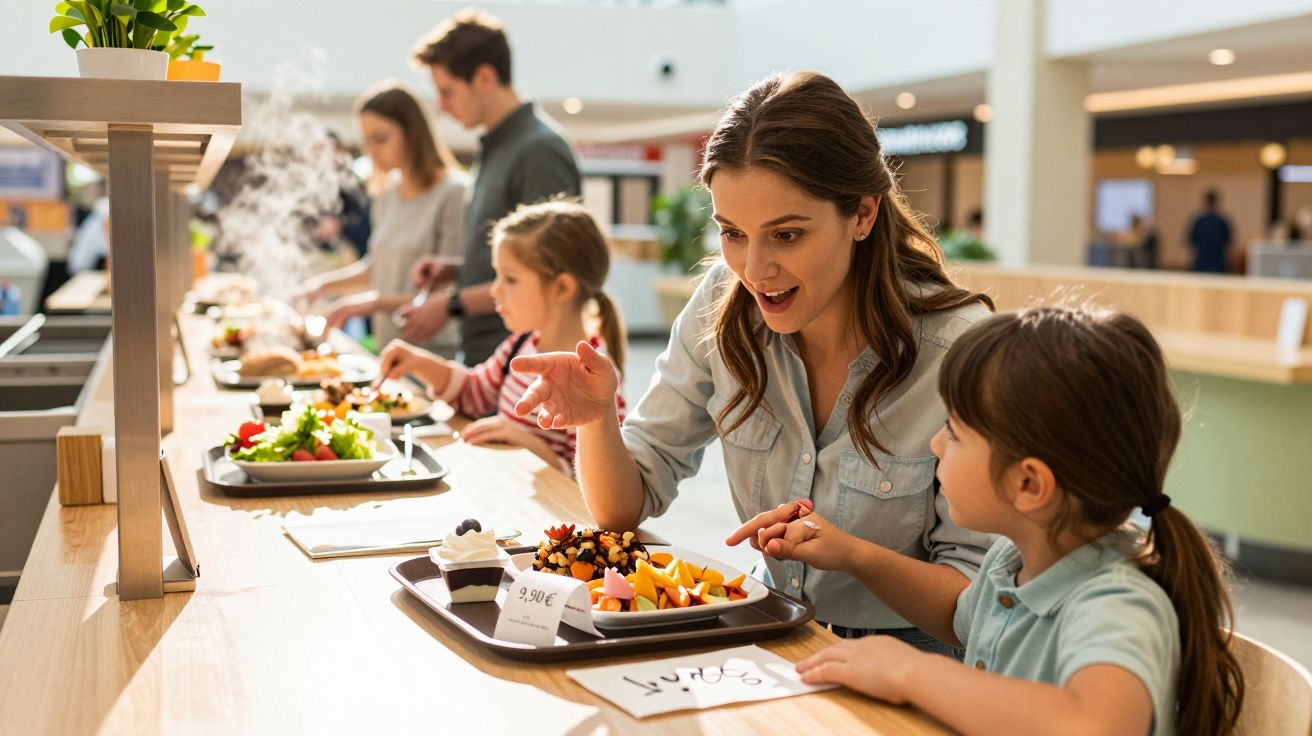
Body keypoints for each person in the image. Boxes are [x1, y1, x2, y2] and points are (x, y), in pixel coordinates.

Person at [512, 71, 994, 654]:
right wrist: (597, 420)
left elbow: (977, 608)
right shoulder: (722, 306)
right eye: (732, 233)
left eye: (786, 235)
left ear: (863, 214)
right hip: (777, 636)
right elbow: (625, 504)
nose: (753, 268)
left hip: (916, 665)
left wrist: (855, 556)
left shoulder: (964, 355)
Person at [785, 306, 1245, 735]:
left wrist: (913, 672)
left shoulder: (1114, 603)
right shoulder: (1013, 560)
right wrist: (852, 554)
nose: (936, 446)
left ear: (1029, 485)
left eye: (956, 433)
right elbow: (958, 618)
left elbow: (1096, 723)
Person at [377, 201, 625, 474]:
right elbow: (474, 393)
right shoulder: (520, 345)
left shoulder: (594, 379)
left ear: (562, 287)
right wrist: (419, 362)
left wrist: (524, 440)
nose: (495, 291)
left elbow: (596, 483)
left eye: (510, 279)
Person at [401, 9, 582, 364]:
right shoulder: (496, 148)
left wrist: (452, 302)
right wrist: (457, 267)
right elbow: (514, 258)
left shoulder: (540, 150)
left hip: (524, 369)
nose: (441, 106)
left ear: (484, 77)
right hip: (490, 360)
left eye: (447, 91)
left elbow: (549, 272)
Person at [294, 82, 466, 357]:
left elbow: (450, 290)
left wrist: (369, 304)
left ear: (413, 133)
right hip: (387, 348)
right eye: (366, 141)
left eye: (381, 138)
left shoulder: (454, 194)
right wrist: (319, 286)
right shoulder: (385, 194)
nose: (371, 151)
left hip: (432, 353)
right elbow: (377, 268)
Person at [1187, 190, 1233, 274]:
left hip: (1215, 261)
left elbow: (1228, 243)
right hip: (1205, 260)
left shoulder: (1220, 221)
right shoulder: (1201, 221)